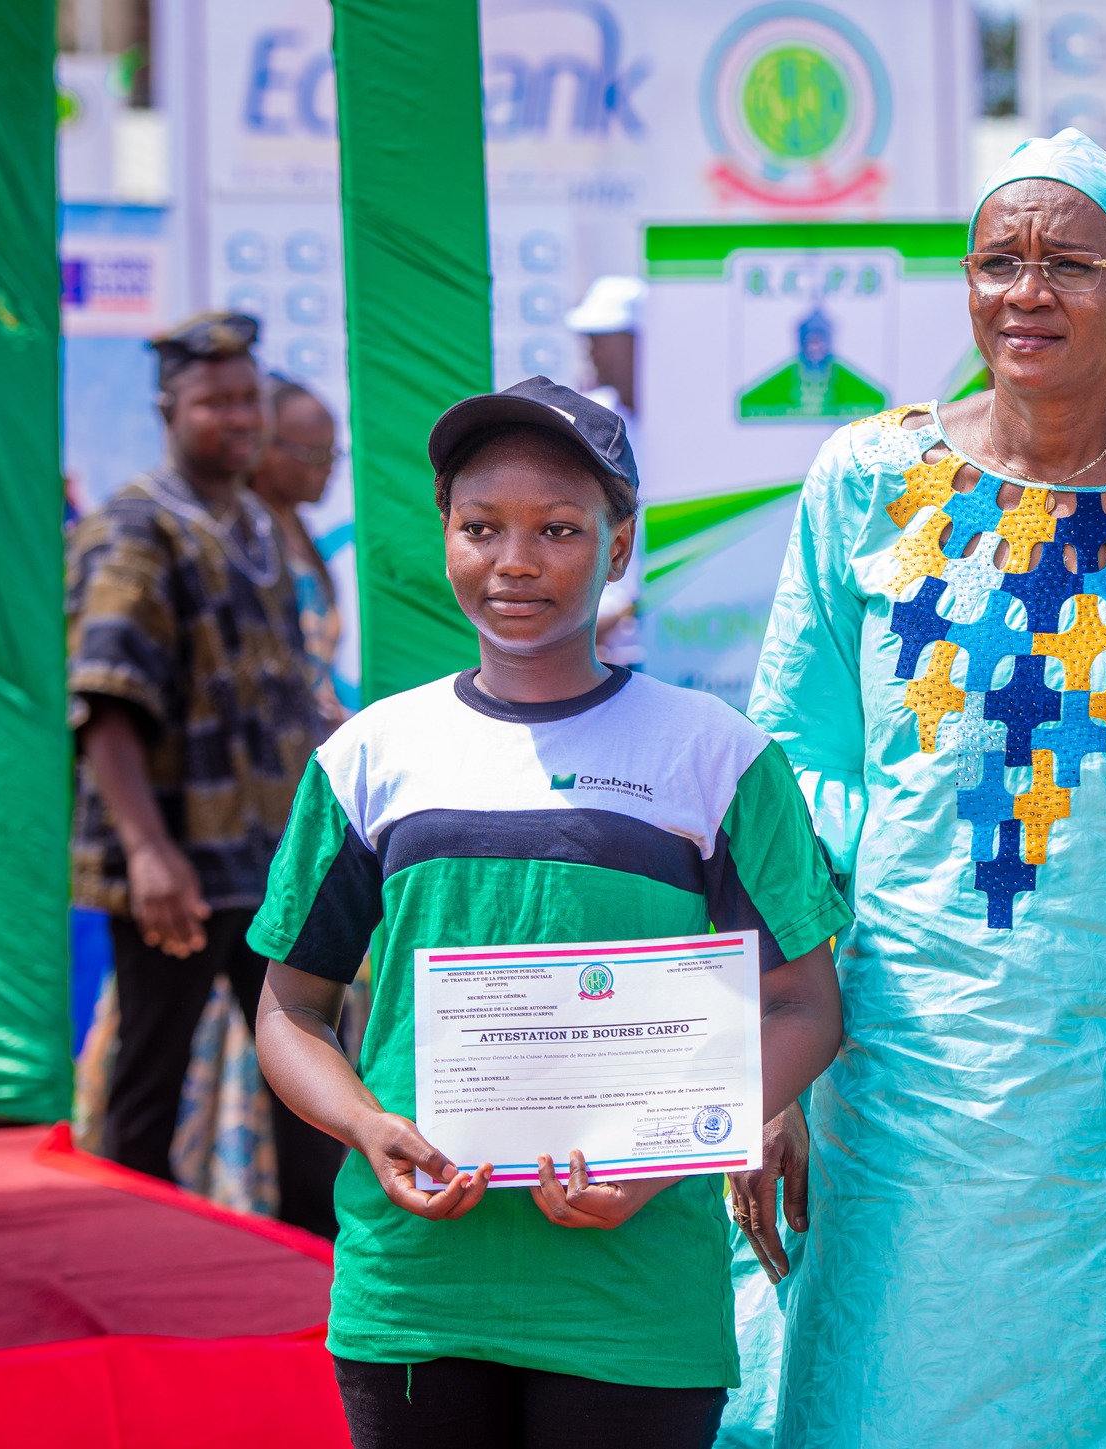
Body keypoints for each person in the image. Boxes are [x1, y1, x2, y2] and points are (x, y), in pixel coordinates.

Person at [731, 128, 1106, 1444]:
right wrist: (770, 1062)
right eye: (999, 260)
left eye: (1068, 263)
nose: (1026, 291)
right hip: (900, 1061)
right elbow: (791, 767)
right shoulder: (870, 482)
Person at [248, 376, 850, 1449]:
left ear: (619, 550)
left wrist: (664, 1155)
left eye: (559, 530)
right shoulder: (371, 756)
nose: (514, 562)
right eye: (481, 528)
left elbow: (804, 1006)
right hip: (416, 1288)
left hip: (634, 1296)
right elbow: (290, 1011)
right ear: (445, 539)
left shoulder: (712, 754)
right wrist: (366, 1127)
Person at [66, 312, 342, 1237]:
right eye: (212, 401)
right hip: (182, 863)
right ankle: (121, 1260)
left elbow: (271, 689)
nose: (237, 418)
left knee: (300, 1056)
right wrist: (148, 854)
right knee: (151, 1069)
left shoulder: (256, 526)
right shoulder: (134, 529)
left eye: (245, 398)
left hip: (262, 865)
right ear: (167, 409)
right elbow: (104, 705)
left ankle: (317, 1257)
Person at [249, 374, 346, 724]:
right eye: (314, 454)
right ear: (261, 448)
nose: (329, 468)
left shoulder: (300, 534)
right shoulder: (241, 540)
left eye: (333, 453)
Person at [567, 274, 650, 667]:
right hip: (601, 649)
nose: (592, 351)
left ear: (639, 341)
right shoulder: (590, 417)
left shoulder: (692, 421)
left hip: (683, 642)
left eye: (603, 337)